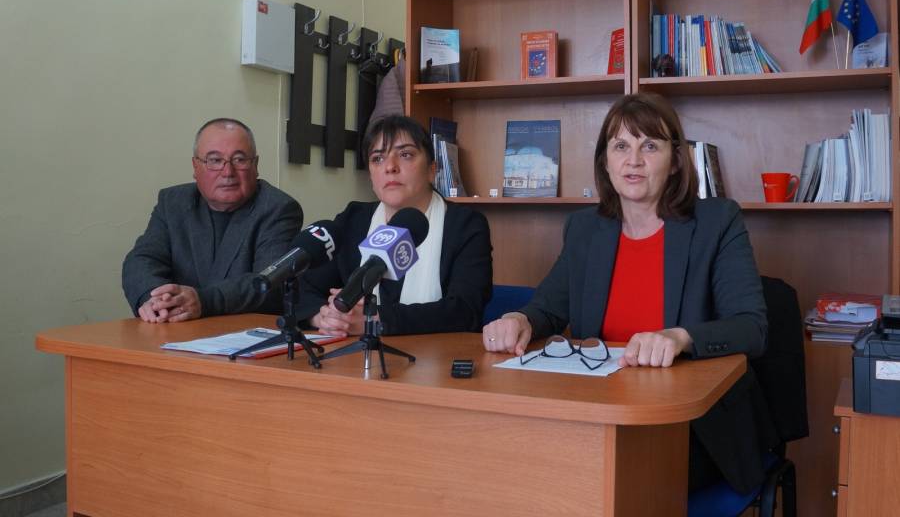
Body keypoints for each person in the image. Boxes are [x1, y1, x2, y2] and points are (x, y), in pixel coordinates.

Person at [482, 93, 778, 494]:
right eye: (621, 146)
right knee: (516, 461)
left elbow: (751, 327)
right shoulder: (585, 229)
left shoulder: (717, 222)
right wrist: (520, 319)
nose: (633, 160)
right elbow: (548, 309)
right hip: (598, 418)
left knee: (598, 481)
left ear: (676, 160)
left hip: (692, 428)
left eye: (650, 146)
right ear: (605, 161)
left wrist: (680, 337)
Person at [296, 114, 492, 336]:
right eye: (378, 158)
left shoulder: (465, 225)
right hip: (354, 354)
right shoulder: (353, 219)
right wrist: (325, 317)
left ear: (432, 170)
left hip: (437, 354)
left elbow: (465, 311)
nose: (390, 167)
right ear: (371, 176)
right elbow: (304, 290)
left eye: (405, 154)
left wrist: (375, 321)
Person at [122, 118, 303, 322]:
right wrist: (156, 300)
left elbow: (269, 282)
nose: (228, 172)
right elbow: (142, 260)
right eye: (215, 160)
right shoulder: (173, 203)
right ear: (195, 166)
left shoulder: (278, 209)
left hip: (240, 331)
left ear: (255, 165)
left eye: (239, 160)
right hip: (174, 327)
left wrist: (203, 301)